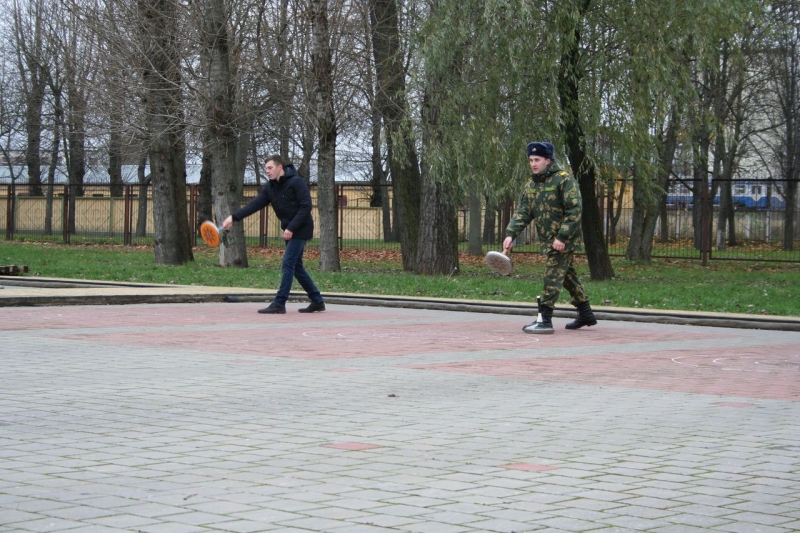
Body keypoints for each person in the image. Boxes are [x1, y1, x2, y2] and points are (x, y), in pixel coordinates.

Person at [503, 141, 597, 334]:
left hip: (564, 239)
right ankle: (585, 313)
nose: (533, 164)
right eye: (530, 160)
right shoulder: (532, 184)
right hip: (549, 240)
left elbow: (575, 209)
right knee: (567, 277)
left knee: (551, 277)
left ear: (548, 160)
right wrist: (511, 234)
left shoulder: (564, 179)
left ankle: (544, 319)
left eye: (537, 160)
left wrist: (562, 236)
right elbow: (523, 211)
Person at [222, 155, 325, 314]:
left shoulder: (297, 182)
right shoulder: (270, 187)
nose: (267, 171)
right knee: (296, 267)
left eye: (270, 168)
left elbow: (306, 207)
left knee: (288, 263)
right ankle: (317, 300)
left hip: (301, 229)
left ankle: (279, 303)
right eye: (266, 169)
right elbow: (255, 204)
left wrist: (291, 228)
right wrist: (234, 217)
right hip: (289, 230)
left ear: (280, 167)